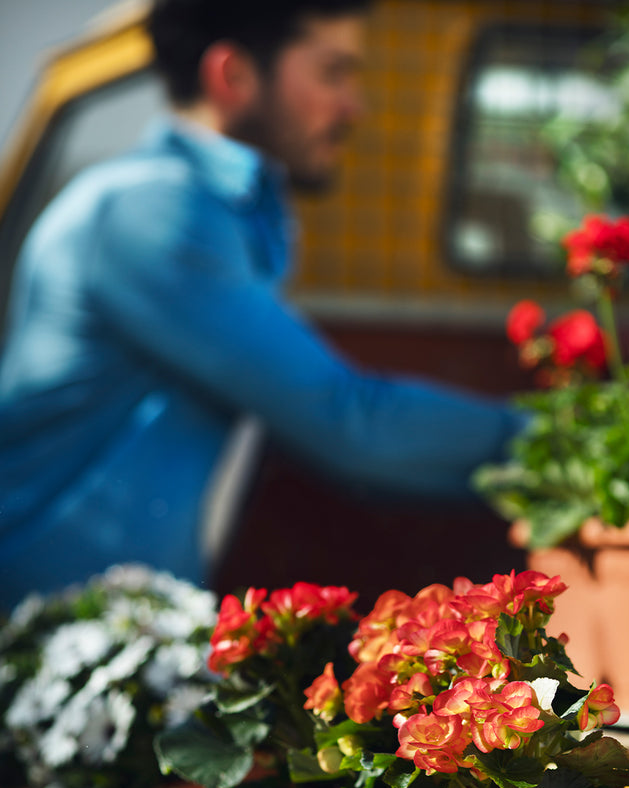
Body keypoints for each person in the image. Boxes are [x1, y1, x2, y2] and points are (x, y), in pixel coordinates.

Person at [0, 0, 523, 612]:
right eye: (333, 73)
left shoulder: (215, 209)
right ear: (233, 76)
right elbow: (351, 420)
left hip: (111, 631)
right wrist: (561, 441)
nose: (354, 106)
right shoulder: (150, 215)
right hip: (41, 648)